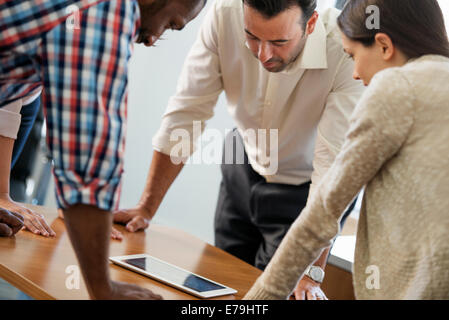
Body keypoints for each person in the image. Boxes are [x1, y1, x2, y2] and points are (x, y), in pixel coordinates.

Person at [113, 0, 365, 299]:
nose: (263, 55)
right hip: (242, 166)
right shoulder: (224, 15)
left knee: (266, 297)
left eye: (279, 41)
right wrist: (146, 207)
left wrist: (311, 272)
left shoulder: (346, 49)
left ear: (310, 24)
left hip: (305, 194)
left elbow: (332, 172)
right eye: (252, 37)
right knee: (217, 289)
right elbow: (187, 113)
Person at [243, 0, 449, 300]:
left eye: (353, 55)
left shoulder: (397, 87)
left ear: (383, 46)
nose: (354, 73)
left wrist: (259, 300)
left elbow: (324, 211)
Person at [0, 0, 206, 299]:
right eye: (170, 24)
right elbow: (88, 151)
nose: (152, 39)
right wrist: (103, 289)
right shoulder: (106, 8)